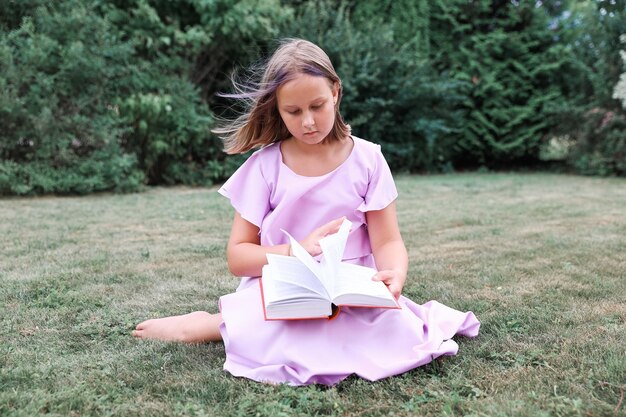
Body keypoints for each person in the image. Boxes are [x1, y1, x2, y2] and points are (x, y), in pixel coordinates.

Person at [132, 38, 480, 386]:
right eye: (293, 112)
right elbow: (239, 258)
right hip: (286, 287)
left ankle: (233, 322)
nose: (308, 122)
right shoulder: (265, 166)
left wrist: (395, 273)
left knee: (400, 333)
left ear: (336, 94)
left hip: (351, 290)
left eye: (317, 106)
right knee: (273, 326)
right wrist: (298, 251)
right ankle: (204, 324)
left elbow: (387, 239)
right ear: (278, 109)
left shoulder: (369, 159)